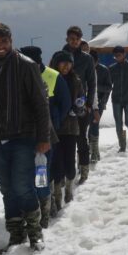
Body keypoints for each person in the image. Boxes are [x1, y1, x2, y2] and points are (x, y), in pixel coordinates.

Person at [0, 23, 52, 254]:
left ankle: (35, 235)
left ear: (11, 40)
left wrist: (43, 137)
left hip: (22, 137)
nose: (0, 47)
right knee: (7, 189)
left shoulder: (26, 66)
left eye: (4, 41)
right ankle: (16, 235)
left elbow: (40, 104)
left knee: (23, 187)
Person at [19, 45, 70, 228]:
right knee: (25, 175)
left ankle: (45, 213)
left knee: (42, 174)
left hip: (45, 135)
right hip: (22, 136)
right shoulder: (18, 76)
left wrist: (54, 122)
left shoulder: (52, 75)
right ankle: (33, 211)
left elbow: (65, 103)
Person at [48, 51, 84, 211]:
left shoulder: (76, 80)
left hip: (70, 128)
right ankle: (56, 196)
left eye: (69, 63)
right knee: (56, 164)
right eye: (62, 63)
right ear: (56, 63)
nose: (66, 66)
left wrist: (79, 107)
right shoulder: (50, 78)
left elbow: (82, 99)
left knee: (69, 162)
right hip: (54, 128)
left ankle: (69, 188)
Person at [62, 26, 97, 185]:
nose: (74, 42)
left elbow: (92, 82)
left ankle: (83, 169)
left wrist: (90, 103)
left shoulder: (87, 58)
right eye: (71, 39)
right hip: (63, 103)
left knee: (81, 138)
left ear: (80, 40)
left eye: (77, 39)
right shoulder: (60, 56)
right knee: (64, 140)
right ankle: (64, 172)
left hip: (81, 103)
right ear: (67, 39)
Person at [82, 40, 111, 165]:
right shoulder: (80, 67)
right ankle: (85, 152)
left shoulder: (103, 70)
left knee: (94, 127)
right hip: (83, 104)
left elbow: (108, 88)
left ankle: (94, 152)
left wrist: (95, 88)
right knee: (83, 130)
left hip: (97, 105)